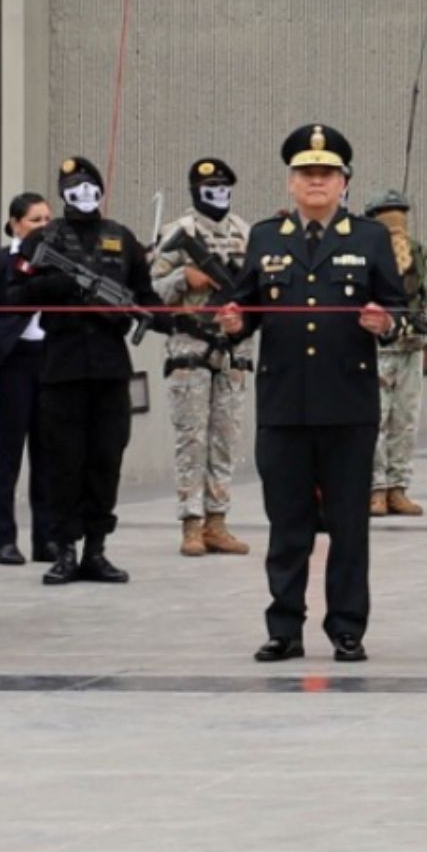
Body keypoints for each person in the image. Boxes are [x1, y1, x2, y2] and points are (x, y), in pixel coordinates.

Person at [212, 124, 407, 662]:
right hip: (283, 404)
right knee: (288, 523)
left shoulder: (368, 238)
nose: (316, 181)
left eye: (326, 173)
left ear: (344, 181)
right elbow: (245, 306)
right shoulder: (267, 238)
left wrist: (383, 323)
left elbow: (400, 313)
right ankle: (284, 628)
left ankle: (347, 627)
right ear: (291, 181)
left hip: (347, 404)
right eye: (306, 172)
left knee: (349, 525)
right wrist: (232, 323)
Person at [2, 155, 157, 586]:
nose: (84, 195)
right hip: (61, 368)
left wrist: (173, 318)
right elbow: (13, 297)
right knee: (62, 464)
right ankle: (64, 550)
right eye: (74, 187)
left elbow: (147, 297)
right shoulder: (43, 240)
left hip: (110, 370)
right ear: (63, 193)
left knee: (105, 460)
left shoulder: (121, 239)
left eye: (90, 186)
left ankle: (96, 550)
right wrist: (56, 286)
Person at [149, 157, 255, 557]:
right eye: (211, 188)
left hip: (233, 350)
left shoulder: (247, 233)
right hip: (190, 347)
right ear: (196, 191)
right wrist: (184, 278)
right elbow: (152, 290)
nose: (219, 195)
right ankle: (191, 523)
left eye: (226, 187)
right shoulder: (179, 233)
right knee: (191, 438)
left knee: (225, 437)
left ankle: (217, 520)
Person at [0, 192, 56, 566]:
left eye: (47, 219)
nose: (44, 226)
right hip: (13, 362)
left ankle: (47, 539)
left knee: (48, 454)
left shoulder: (59, 261)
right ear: (15, 224)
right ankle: (3, 540)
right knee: (9, 453)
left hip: (51, 359)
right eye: (36, 220)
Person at [363, 190, 427, 516]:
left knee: (405, 419)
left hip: (411, 347)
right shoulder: (366, 255)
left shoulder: (419, 254)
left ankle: (398, 486)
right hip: (378, 349)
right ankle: (375, 488)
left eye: (399, 215)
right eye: (387, 215)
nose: (396, 223)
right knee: (376, 418)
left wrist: (425, 328)